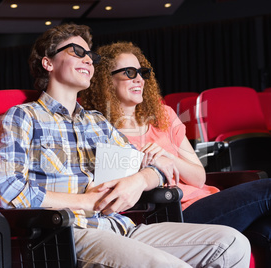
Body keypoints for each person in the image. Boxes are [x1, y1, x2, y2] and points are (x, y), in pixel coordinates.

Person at [0, 24, 251, 267]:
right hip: (71, 232)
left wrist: (139, 180)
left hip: (122, 226)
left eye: (90, 55)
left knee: (232, 244)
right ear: (48, 62)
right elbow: (9, 191)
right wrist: (85, 201)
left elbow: (150, 164)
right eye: (77, 52)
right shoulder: (23, 116)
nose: (88, 59)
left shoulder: (98, 122)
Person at [81, 41, 271, 265]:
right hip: (173, 214)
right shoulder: (101, 129)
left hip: (209, 201)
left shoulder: (164, 115)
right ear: (106, 81)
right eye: (129, 73)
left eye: (142, 72)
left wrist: (166, 157)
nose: (139, 79)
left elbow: (198, 177)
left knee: (268, 230)